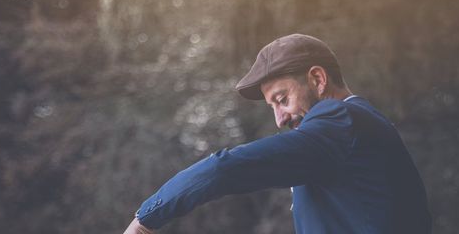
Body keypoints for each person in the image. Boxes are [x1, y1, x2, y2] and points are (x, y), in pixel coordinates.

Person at [122, 33, 431, 234]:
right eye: (272, 106)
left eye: (282, 100)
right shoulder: (356, 127)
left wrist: (145, 221)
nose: (279, 119)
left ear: (318, 79)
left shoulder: (340, 120)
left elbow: (226, 167)